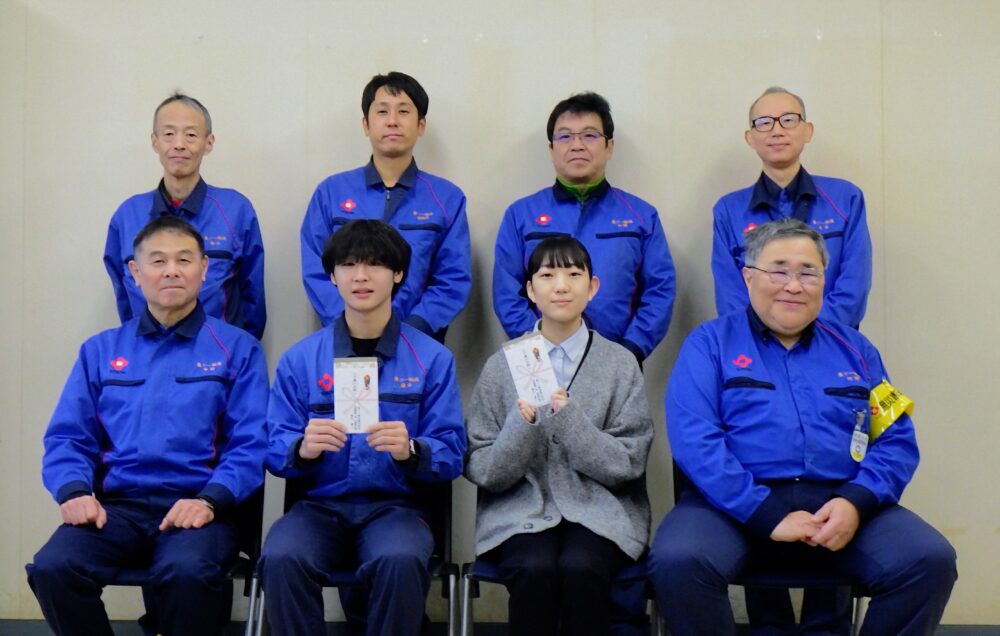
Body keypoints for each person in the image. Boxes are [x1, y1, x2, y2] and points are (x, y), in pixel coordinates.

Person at [648, 218, 957, 635]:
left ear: (823, 281)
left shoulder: (857, 350)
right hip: (732, 508)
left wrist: (856, 503)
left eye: (808, 272)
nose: (794, 286)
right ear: (748, 277)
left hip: (839, 504)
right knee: (678, 561)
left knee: (928, 560)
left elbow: (896, 440)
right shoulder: (709, 344)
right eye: (779, 271)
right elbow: (695, 441)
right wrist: (764, 513)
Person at [27, 215, 269, 636]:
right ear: (135, 273)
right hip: (117, 510)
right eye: (158, 261)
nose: (171, 270)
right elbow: (68, 437)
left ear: (204, 269)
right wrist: (74, 491)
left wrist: (209, 500)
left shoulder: (237, 349)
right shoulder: (101, 350)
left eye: (183, 260)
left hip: (201, 509)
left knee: (188, 573)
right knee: (53, 567)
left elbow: (250, 444)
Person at [259, 219, 466, 636]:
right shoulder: (301, 359)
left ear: (398, 274)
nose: (361, 276)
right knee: (281, 555)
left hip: (398, 508)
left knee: (399, 559)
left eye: (374, 264)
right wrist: (302, 448)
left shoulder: (432, 359)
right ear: (333, 276)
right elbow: (273, 445)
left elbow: (453, 451)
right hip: (319, 508)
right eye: (349, 265)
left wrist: (413, 451)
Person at [467, 236, 654, 636]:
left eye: (573, 274)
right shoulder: (502, 365)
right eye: (547, 275)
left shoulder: (621, 364)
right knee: (533, 569)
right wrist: (522, 426)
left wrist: (570, 421)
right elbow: (483, 469)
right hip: (520, 511)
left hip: (601, 510)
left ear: (593, 286)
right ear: (530, 290)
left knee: (581, 567)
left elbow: (628, 464)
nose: (561, 286)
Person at [493, 92, 675, 365]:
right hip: (539, 363)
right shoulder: (521, 215)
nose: (577, 145)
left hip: (618, 359)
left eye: (589, 135)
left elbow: (659, 291)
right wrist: (538, 350)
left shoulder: (641, 216)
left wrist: (629, 351)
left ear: (609, 146)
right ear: (551, 149)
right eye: (565, 136)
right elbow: (507, 293)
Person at [300, 72, 471, 341]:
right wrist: (351, 325)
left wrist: (412, 330)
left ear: (421, 125)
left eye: (403, 111)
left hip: (418, 341)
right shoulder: (331, 193)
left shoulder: (446, 198)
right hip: (345, 340)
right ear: (366, 124)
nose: (392, 121)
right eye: (382, 111)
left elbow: (452, 278)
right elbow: (316, 270)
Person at [104, 92, 267, 340]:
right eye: (169, 134)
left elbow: (252, 297)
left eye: (190, 135)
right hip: (146, 351)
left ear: (208, 142)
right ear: (154, 142)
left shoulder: (235, 210)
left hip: (218, 353)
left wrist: (240, 349)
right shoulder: (128, 216)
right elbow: (124, 295)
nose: (179, 144)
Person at [711, 86, 871, 330]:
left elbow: (854, 287)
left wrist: (811, 337)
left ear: (808, 131)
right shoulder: (729, 210)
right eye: (764, 123)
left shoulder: (845, 198)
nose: (777, 131)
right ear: (750, 137)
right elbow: (730, 297)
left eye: (788, 120)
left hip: (833, 341)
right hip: (758, 346)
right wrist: (772, 340)